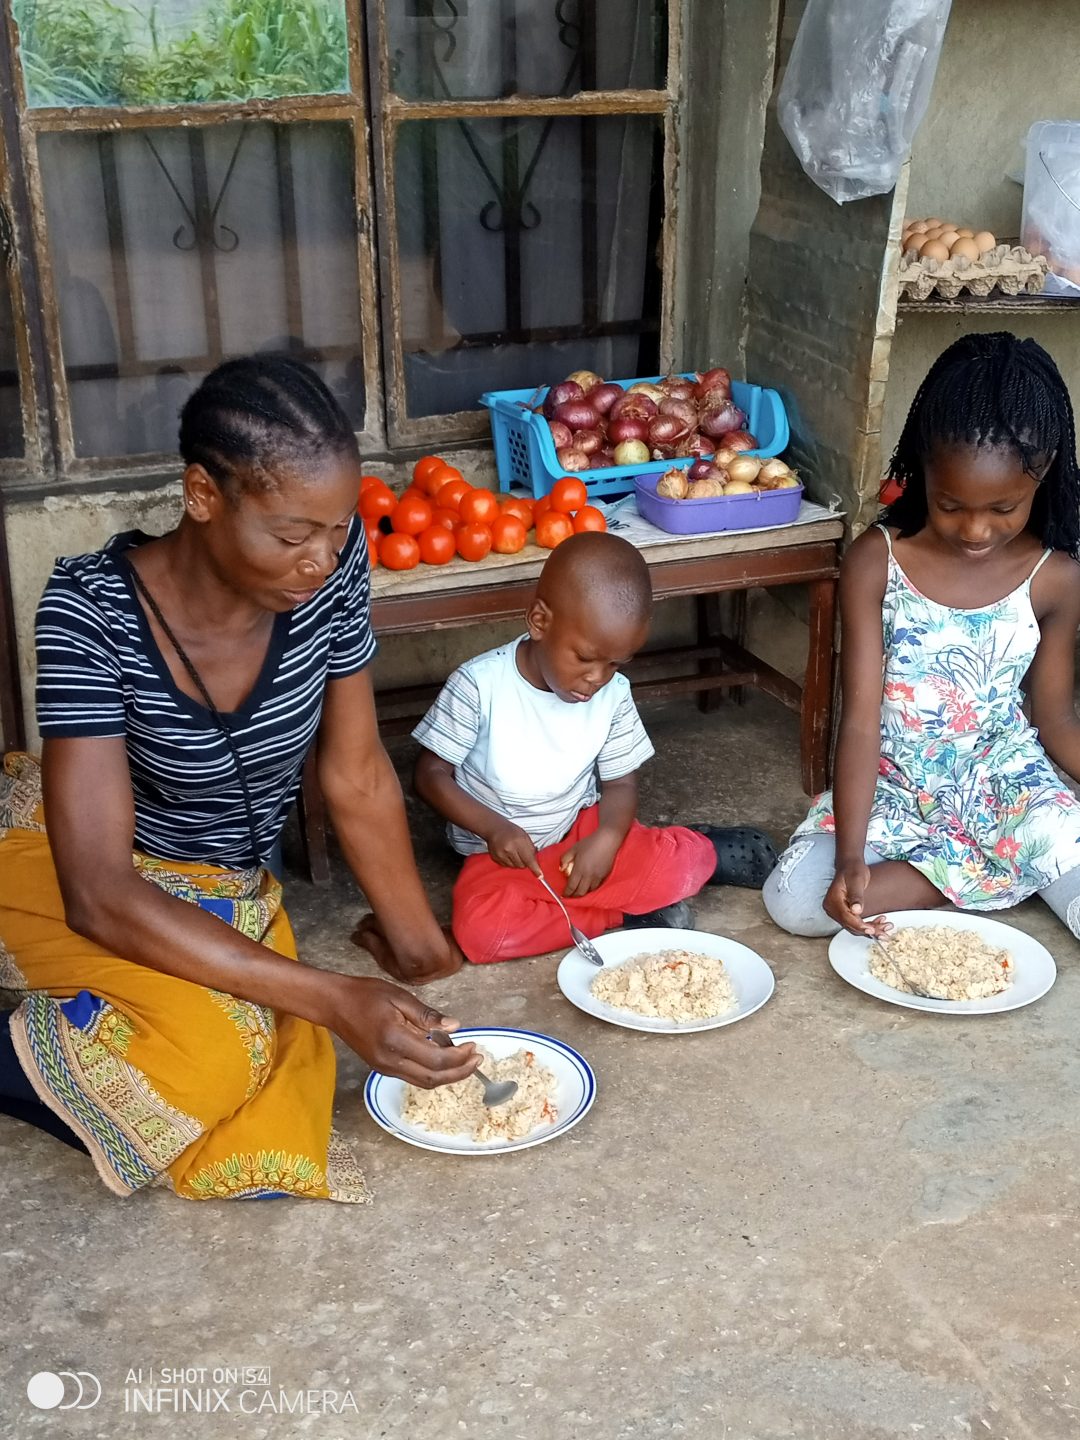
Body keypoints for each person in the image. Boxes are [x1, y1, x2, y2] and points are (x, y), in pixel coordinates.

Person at [0, 355, 481, 1203]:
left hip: (225, 891)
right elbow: (99, 893)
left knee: (270, 1090)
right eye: (291, 537)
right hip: (89, 870)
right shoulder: (91, 611)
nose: (321, 560)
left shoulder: (331, 567)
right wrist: (334, 996)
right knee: (217, 1060)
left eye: (337, 531)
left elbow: (356, 771)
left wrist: (418, 947)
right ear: (202, 495)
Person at [763, 332, 1080, 939]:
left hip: (1006, 787)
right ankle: (977, 873)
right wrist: (851, 857)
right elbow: (860, 723)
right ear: (923, 471)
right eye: (951, 504)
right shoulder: (877, 561)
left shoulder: (1055, 577)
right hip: (895, 784)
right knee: (795, 901)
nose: (976, 529)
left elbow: (1057, 720)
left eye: (1004, 508)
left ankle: (977, 865)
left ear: (1042, 477)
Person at [411, 531, 777, 965]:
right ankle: (622, 913)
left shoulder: (613, 694)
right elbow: (430, 776)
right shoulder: (479, 685)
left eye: (615, 663)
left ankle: (703, 850)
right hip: (500, 855)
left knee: (660, 864)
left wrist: (606, 839)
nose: (597, 677)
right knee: (484, 934)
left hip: (578, 833)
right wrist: (493, 829)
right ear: (539, 621)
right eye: (584, 658)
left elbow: (620, 784)